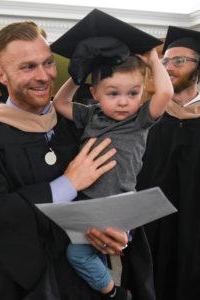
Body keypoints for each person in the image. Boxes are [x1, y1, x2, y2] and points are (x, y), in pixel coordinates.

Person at [0, 12, 156, 300]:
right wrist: (68, 184)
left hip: (84, 283)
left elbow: (122, 182)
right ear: (1, 75)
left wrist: (120, 234)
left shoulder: (82, 123)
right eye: (28, 67)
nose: (44, 75)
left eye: (47, 62)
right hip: (21, 286)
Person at [52, 13, 173, 300]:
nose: (123, 101)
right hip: (83, 201)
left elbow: (166, 93)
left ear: (142, 93)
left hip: (119, 205)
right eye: (113, 93)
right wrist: (75, 77)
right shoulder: (90, 115)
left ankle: (113, 294)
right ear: (94, 93)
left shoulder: (140, 119)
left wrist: (154, 61)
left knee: (86, 253)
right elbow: (59, 103)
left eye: (133, 93)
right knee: (78, 254)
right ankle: (109, 290)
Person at [136, 26, 200, 300]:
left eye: (180, 60)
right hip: (153, 229)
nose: (170, 66)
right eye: (166, 61)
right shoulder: (148, 118)